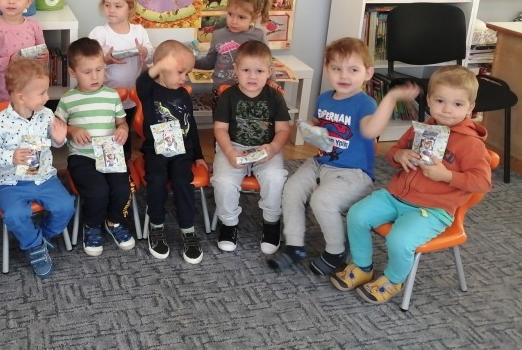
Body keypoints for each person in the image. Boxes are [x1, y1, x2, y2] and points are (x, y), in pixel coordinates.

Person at [330, 65, 493, 304]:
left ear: (470, 108)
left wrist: (447, 176)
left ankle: (393, 280)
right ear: (428, 100)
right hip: (395, 195)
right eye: (440, 101)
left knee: (399, 240)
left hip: (433, 210)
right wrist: (400, 155)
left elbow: (482, 182)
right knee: (357, 215)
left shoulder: (472, 144)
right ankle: (362, 266)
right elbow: (392, 152)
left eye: (458, 104)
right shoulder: (421, 129)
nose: (447, 109)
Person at [268, 37, 420, 275]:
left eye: (353, 70)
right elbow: (319, 124)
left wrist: (390, 99)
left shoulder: (365, 103)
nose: (344, 76)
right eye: (336, 68)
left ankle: (336, 251)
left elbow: (371, 131)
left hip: (353, 173)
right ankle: (294, 245)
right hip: (320, 162)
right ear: (326, 69)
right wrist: (310, 127)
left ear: (368, 73)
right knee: (292, 189)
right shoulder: (324, 98)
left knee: (322, 200)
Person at [0, 58, 75, 279]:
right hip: (11, 181)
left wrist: (59, 139)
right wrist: (11, 156)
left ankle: (40, 237)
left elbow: (54, 143)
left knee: (66, 206)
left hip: (44, 177)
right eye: (41, 93)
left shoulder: (47, 115)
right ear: (21, 97)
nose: (47, 97)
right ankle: (35, 246)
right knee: (15, 215)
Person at [55, 37, 135, 256]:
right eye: (87, 71)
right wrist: (72, 130)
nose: (95, 76)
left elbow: (122, 122)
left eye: (99, 69)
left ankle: (114, 221)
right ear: (73, 73)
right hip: (82, 157)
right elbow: (57, 128)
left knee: (122, 188)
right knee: (98, 190)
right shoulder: (68, 99)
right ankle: (91, 225)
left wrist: (123, 129)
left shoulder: (111, 95)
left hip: (110, 154)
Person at [211, 40, 290, 255]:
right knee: (223, 181)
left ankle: (272, 222)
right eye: (246, 70)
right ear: (235, 69)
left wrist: (272, 148)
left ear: (269, 72)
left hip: (267, 148)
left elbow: (284, 130)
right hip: (233, 146)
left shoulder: (275, 97)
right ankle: (229, 223)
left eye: (259, 71)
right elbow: (220, 129)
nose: (252, 76)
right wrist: (229, 152)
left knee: (275, 178)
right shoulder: (228, 96)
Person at [137, 39, 207, 263]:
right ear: (161, 66)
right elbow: (141, 82)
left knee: (182, 181)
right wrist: (158, 66)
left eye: (186, 73)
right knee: (157, 179)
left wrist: (199, 155)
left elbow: (191, 125)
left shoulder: (184, 94)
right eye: (179, 72)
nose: (184, 78)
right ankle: (156, 226)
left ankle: (187, 229)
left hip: (182, 150)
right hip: (156, 149)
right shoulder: (150, 91)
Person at [88, 0, 154, 159]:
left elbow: (150, 57)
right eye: (107, 5)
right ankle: (105, 159)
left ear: (130, 8)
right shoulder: (100, 33)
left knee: (125, 129)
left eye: (117, 6)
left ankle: (124, 159)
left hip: (132, 96)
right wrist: (105, 59)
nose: (111, 10)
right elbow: (89, 61)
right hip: (107, 95)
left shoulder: (139, 31)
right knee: (107, 131)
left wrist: (144, 51)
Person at [194, 0, 270, 107]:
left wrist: (272, 81)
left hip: (249, 91)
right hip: (220, 90)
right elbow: (210, 62)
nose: (233, 21)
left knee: (242, 119)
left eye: (241, 17)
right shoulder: (218, 35)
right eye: (230, 14)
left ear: (254, 17)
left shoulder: (259, 36)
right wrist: (192, 62)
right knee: (220, 118)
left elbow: (268, 62)